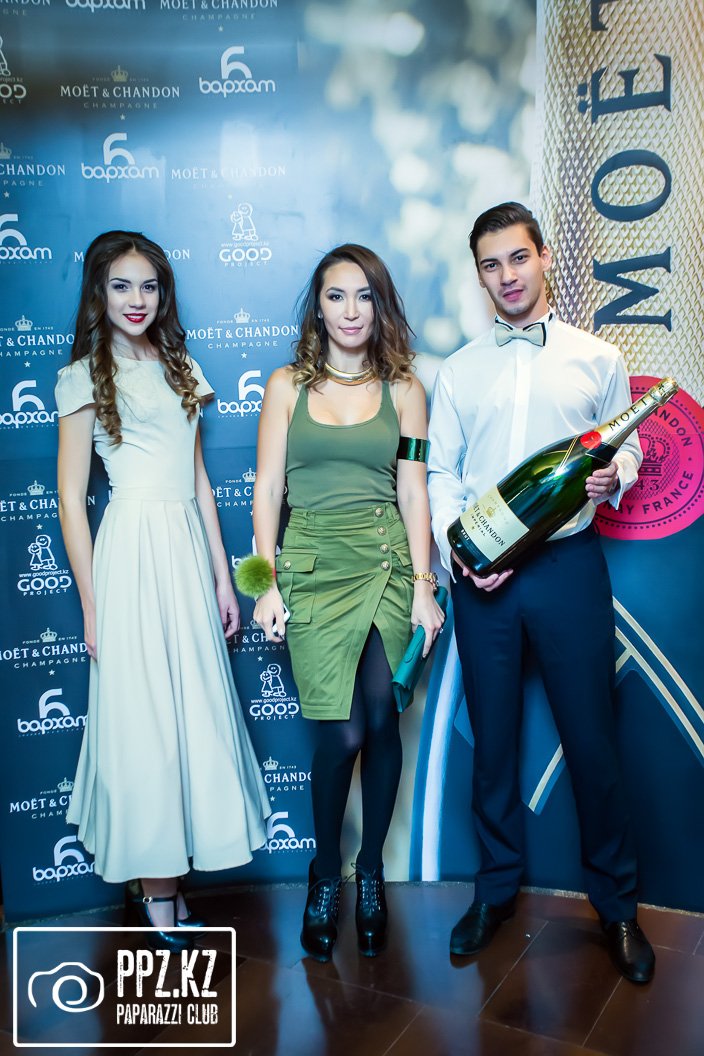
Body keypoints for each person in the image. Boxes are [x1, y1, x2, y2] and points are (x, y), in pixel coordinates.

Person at [427, 202, 655, 984]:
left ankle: (617, 908)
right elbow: (442, 473)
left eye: (518, 258)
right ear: (480, 274)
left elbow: (628, 452)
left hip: (568, 568)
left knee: (593, 741)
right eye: (491, 265)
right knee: (492, 745)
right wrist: (460, 554)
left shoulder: (598, 357)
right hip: (485, 577)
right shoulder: (458, 370)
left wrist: (614, 475)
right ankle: (494, 893)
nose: (507, 276)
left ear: (545, 256)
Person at [56, 230, 270, 949]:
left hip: (184, 549)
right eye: (121, 285)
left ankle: (170, 888)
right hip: (131, 552)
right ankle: (157, 895)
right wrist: (93, 605)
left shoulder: (182, 366)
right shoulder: (83, 378)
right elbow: (71, 500)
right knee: (143, 722)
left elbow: (200, 481)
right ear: (99, 292)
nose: (137, 299)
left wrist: (223, 577)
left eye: (148, 286)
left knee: (187, 716)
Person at [252, 243, 445, 961]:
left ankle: (370, 875)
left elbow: (413, 491)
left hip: (387, 564)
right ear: (319, 307)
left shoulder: (405, 388)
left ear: (380, 305)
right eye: (337, 296)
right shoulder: (285, 386)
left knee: (382, 723)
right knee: (340, 735)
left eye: (364, 296)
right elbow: (267, 489)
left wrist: (424, 587)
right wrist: (263, 583)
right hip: (310, 568)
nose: (351, 311)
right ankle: (324, 872)